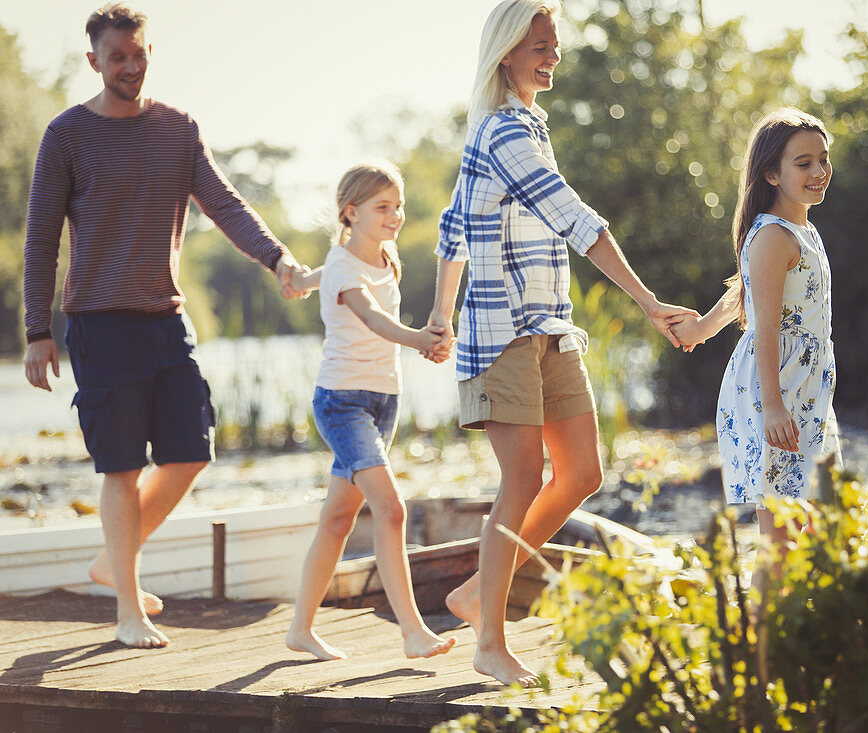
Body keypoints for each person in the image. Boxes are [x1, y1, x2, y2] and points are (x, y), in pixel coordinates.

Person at [21, 3, 308, 649]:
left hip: (165, 321)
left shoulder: (178, 129)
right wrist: (39, 328)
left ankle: (110, 562)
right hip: (99, 323)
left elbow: (225, 202)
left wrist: (278, 258)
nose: (129, 65)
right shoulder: (66, 135)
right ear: (94, 60)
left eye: (139, 52)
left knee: (188, 453)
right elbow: (41, 241)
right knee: (121, 466)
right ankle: (129, 608)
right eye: (116, 55)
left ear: (152, 51)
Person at [428, 0, 697, 686]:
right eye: (541, 44)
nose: (553, 55)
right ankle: (488, 638)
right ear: (508, 52)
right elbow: (576, 221)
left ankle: (472, 593)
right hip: (504, 335)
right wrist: (647, 302)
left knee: (581, 472)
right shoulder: (503, 133)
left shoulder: (528, 127)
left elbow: (452, 229)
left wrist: (437, 313)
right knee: (521, 477)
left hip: (550, 327)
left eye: (555, 44)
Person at [283, 163, 457, 662]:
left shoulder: (381, 255)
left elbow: (328, 276)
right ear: (350, 212)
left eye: (398, 206)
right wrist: (420, 341)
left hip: (384, 403)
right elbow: (370, 315)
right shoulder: (345, 265)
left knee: (338, 518)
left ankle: (300, 629)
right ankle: (413, 632)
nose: (396, 215)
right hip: (342, 403)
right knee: (392, 508)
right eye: (383, 207)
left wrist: (300, 280)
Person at [671, 107, 843, 590]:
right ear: (772, 173)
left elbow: (747, 292)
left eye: (823, 160)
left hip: (805, 390)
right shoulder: (772, 235)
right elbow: (765, 326)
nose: (818, 172)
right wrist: (772, 407)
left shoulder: (801, 229)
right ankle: (765, 649)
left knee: (816, 515)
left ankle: (794, 627)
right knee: (782, 532)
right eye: (803, 163)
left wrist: (704, 327)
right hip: (779, 389)